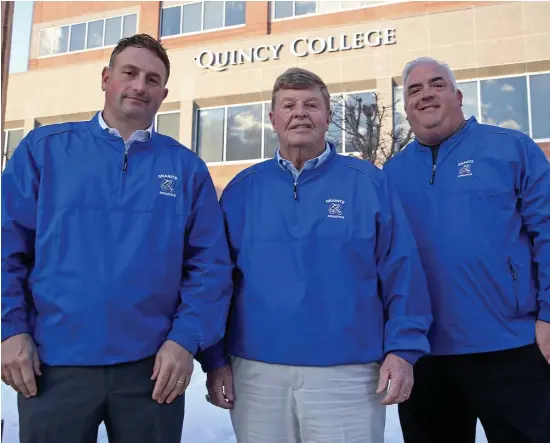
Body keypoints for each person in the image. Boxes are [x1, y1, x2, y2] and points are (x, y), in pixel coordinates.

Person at [1, 33, 233, 443]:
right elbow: (6, 247)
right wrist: (9, 329)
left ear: (163, 93)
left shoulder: (186, 169)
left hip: (153, 371)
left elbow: (209, 268)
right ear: (107, 78)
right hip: (54, 366)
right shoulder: (45, 151)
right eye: (129, 73)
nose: (139, 85)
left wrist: (184, 341)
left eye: (152, 78)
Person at [198, 67, 433, 443]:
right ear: (272, 118)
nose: (300, 113)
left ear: (328, 116)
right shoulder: (242, 191)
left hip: (348, 376)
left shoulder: (368, 183)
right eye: (288, 105)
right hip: (257, 375)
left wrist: (404, 349)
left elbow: (402, 271)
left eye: (311, 104)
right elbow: (214, 282)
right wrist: (215, 360)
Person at [383, 56, 550, 443]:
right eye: (414, 90)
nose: (426, 94)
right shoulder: (390, 176)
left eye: (436, 84)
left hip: (511, 345)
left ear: (458, 95)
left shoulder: (511, 150)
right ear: (406, 108)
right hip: (426, 355)